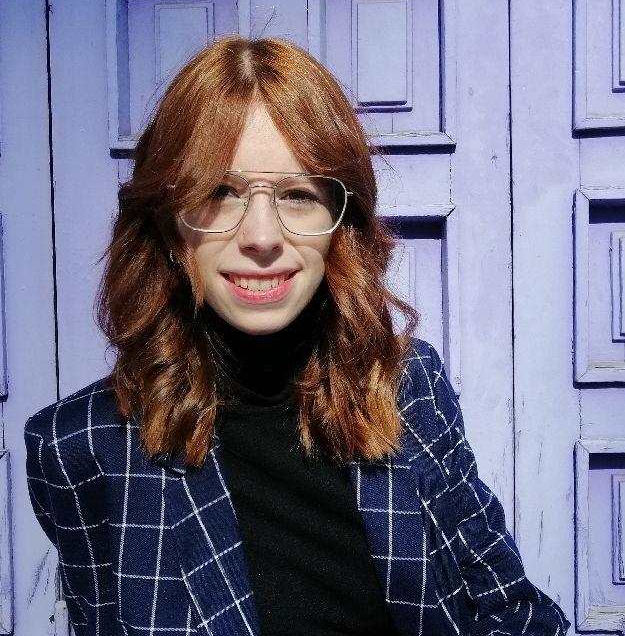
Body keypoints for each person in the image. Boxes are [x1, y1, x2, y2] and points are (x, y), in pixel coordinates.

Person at [24, 36, 570, 636]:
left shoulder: (409, 388)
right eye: (221, 192)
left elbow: (513, 610)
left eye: (298, 194)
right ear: (168, 221)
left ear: (342, 224)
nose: (262, 237)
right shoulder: (80, 449)